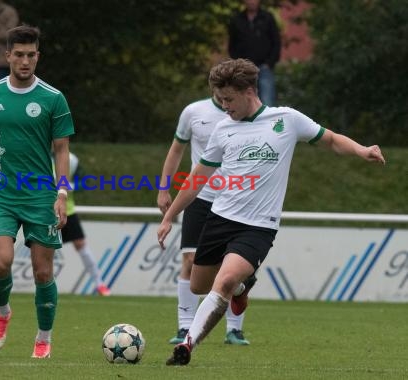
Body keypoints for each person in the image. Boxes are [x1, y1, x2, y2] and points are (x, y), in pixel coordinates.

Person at [159, 58, 385, 366]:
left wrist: (361, 149)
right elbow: (198, 178)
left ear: (249, 91)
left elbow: (330, 139)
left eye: (229, 99)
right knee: (199, 285)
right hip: (220, 217)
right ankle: (242, 287)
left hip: (258, 227)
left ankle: (186, 346)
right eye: (220, 99)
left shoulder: (286, 119)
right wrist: (169, 215)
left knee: (221, 284)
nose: (224, 106)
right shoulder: (224, 129)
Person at [0, 25, 75, 359]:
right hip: (0, 194)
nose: (25, 61)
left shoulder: (53, 98)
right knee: (2, 263)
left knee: (43, 272)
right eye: (18, 54)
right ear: (7, 55)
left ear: (38, 56)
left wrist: (62, 194)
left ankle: (44, 337)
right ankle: (3, 312)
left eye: (31, 55)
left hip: (40, 196)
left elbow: (61, 150)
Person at [157, 66, 252, 347]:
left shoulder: (247, 113)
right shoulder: (193, 113)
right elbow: (176, 149)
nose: (225, 102)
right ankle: (185, 326)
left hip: (234, 201)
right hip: (199, 198)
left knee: (229, 269)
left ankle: (234, 329)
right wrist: (164, 188)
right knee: (190, 261)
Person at [59, 152, 111, 296]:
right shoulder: (40, 156)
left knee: (81, 245)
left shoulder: (71, 159)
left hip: (67, 211)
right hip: (46, 213)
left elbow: (84, 182)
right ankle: (44, 286)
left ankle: (100, 284)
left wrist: (72, 185)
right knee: (44, 251)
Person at [228, 0, 281, 106]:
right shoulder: (237, 19)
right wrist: (237, 63)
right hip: (243, 70)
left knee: (267, 102)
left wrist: (269, 63)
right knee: (244, 103)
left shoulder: (267, 18)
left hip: (264, 68)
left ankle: (268, 123)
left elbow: (276, 42)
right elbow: (232, 44)